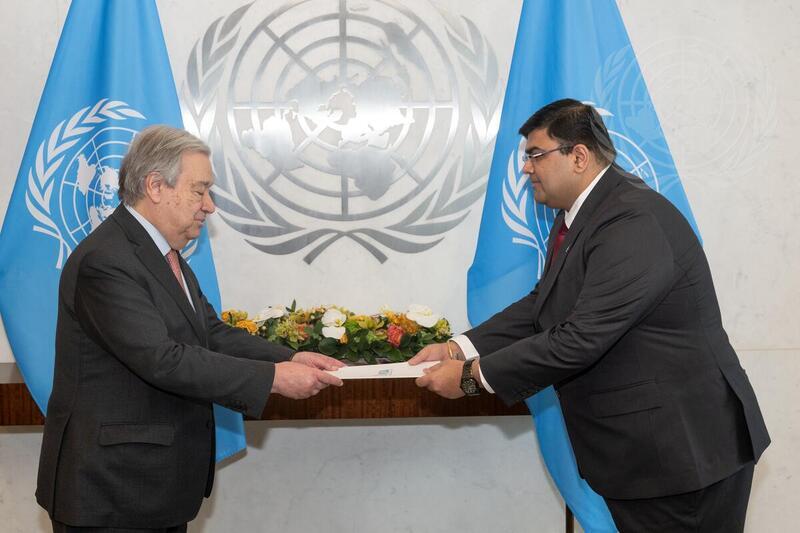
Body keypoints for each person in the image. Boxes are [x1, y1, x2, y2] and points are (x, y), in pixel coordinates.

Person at [411, 99, 770, 532]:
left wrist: (473, 376)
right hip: (652, 455)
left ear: (578, 156)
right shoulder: (589, 215)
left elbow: (580, 338)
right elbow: (543, 304)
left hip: (682, 457)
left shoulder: (630, 219)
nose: (526, 169)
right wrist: (457, 346)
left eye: (535, 155)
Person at [36, 125, 344, 532]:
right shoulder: (106, 261)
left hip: (152, 486)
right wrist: (273, 379)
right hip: (111, 491)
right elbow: (162, 360)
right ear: (156, 186)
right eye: (200, 191)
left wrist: (289, 357)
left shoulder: (163, 254)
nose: (210, 206)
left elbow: (209, 332)